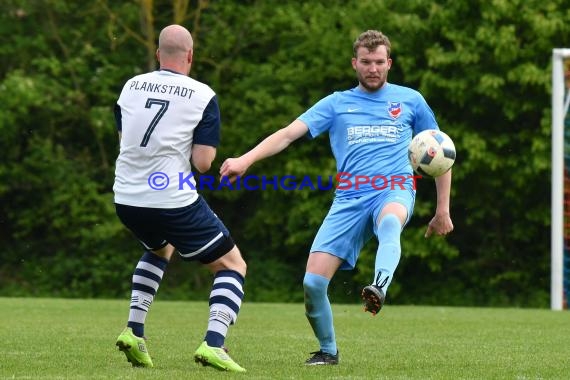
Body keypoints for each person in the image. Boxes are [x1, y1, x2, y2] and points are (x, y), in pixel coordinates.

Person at [220, 30, 453, 365]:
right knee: (313, 283)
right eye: (366, 62)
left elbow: (441, 152)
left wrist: (442, 210)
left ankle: (379, 286)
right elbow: (288, 134)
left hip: (394, 187)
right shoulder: (336, 103)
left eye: (379, 62)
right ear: (354, 63)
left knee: (391, 222)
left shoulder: (411, 101)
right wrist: (245, 160)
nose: (373, 68)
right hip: (349, 198)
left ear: (389, 63)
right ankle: (328, 351)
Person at [112, 24, 247, 372]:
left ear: (158, 54)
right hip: (169, 197)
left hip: (126, 195)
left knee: (160, 248)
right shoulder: (202, 94)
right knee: (233, 265)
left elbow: (126, 139)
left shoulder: (130, 87)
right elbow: (203, 164)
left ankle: (133, 332)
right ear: (190, 56)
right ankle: (215, 344)